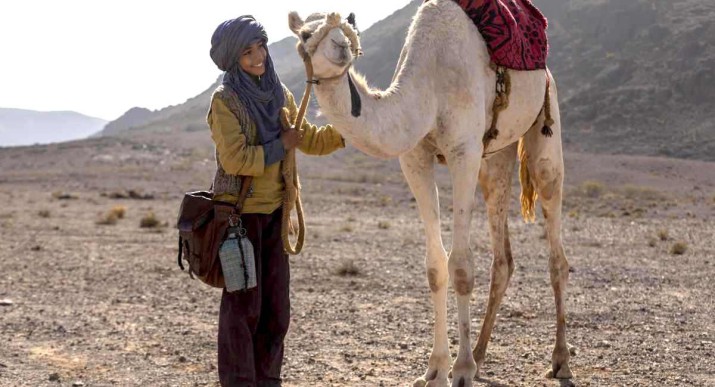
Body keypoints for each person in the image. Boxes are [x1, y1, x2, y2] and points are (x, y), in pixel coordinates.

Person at [207, 15, 344, 387]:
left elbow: (308, 139)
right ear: (233, 59)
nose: (257, 58)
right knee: (243, 310)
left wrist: (350, 128)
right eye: (247, 52)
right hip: (239, 219)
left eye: (260, 47)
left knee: (276, 312)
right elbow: (235, 158)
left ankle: (268, 380)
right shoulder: (225, 101)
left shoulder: (278, 93)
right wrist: (279, 146)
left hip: (276, 216)